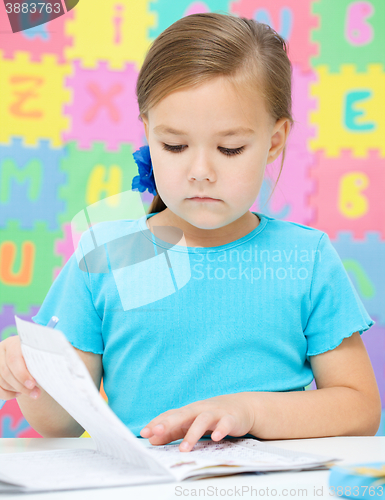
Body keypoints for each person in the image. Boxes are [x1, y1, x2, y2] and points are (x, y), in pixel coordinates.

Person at [0, 13, 381, 451]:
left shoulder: (305, 257)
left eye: (230, 148)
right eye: (175, 146)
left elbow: (359, 408)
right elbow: (61, 423)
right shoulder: (110, 253)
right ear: (147, 132)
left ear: (274, 141)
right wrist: (28, 374)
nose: (200, 172)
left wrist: (250, 411)